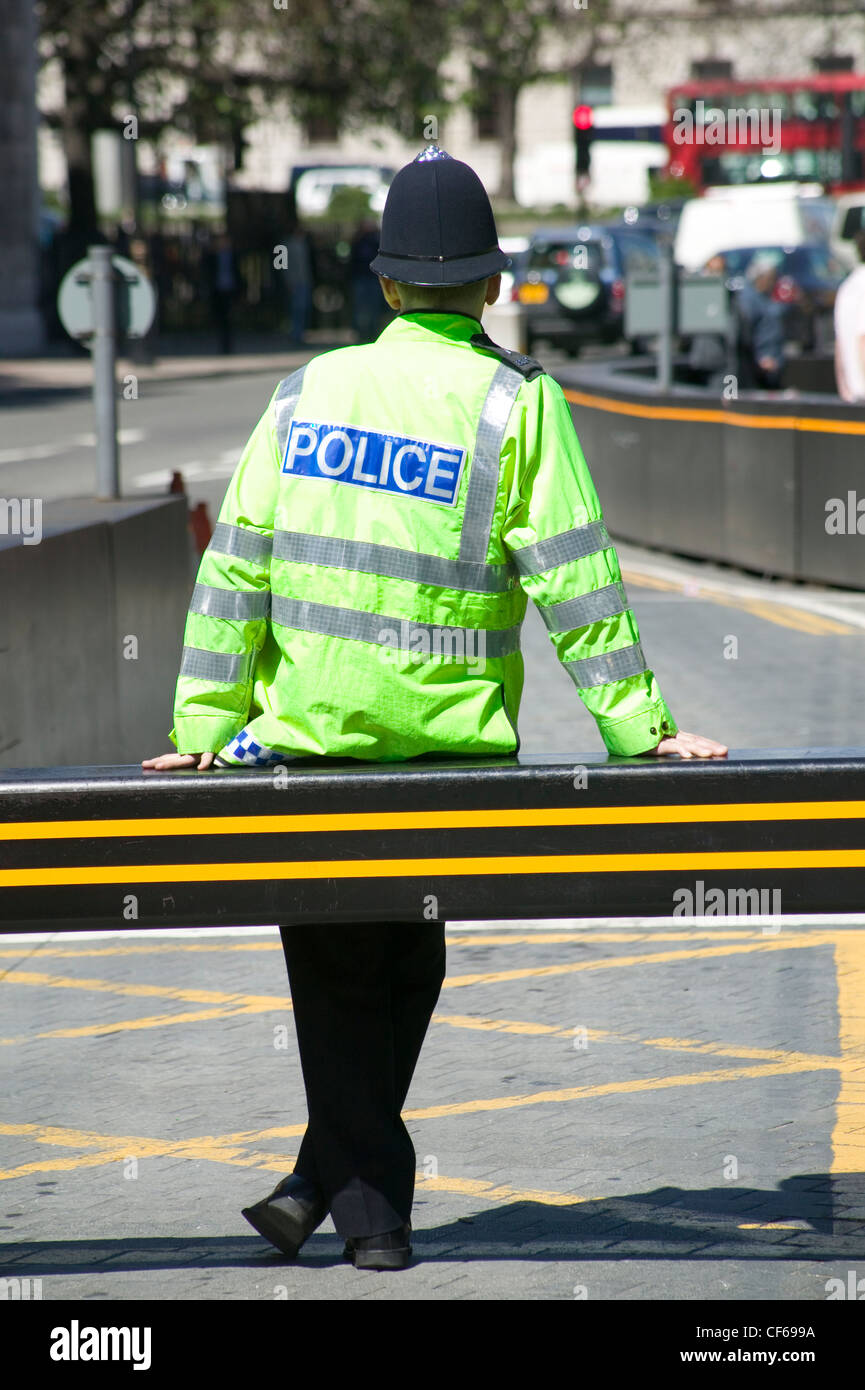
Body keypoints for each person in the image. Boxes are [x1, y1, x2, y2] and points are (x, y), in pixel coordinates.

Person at [142, 145, 726, 1272]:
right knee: (409, 967)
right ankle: (370, 1218)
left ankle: (328, 1185)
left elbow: (236, 574)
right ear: (495, 285)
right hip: (442, 761)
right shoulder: (519, 404)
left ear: (389, 284)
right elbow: (577, 584)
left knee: (329, 970)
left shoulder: (306, 391)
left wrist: (203, 730)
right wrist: (638, 730)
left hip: (303, 750)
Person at [734, 252, 785, 390]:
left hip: (772, 363)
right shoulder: (748, 300)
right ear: (760, 278)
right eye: (771, 278)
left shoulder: (767, 297)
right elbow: (745, 334)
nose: (774, 282)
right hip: (759, 367)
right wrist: (759, 359)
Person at [834, 231, 865, 403]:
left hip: (852, 395)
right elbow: (863, 339)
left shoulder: (847, 286)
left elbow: (840, 341)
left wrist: (843, 385)